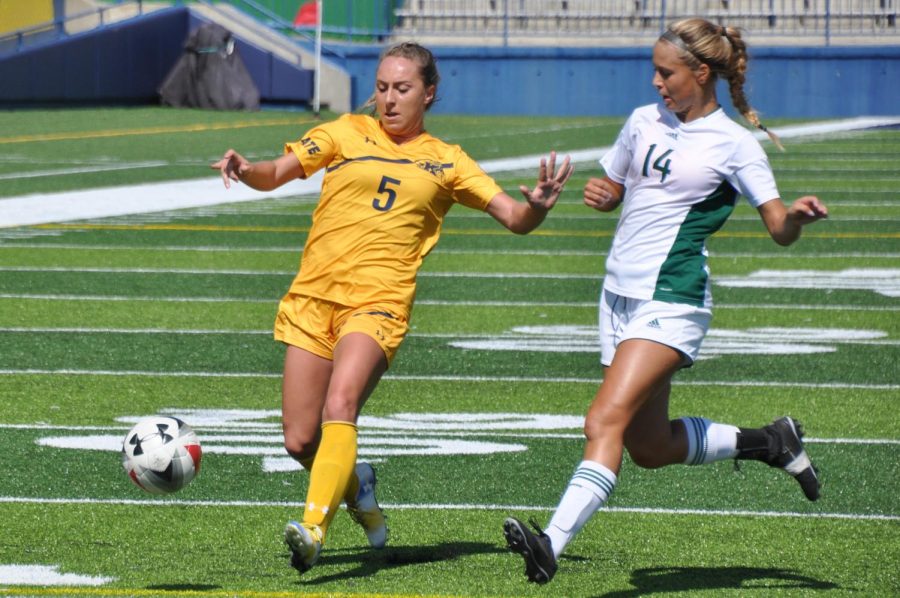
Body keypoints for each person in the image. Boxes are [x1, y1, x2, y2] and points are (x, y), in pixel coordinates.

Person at [211, 41, 574, 576]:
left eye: (402, 89)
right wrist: (246, 170)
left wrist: (537, 207)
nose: (388, 99)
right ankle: (359, 487)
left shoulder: (448, 161)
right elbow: (278, 171)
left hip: (378, 302)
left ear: (429, 93)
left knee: (343, 403)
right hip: (314, 297)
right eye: (381, 88)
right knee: (299, 439)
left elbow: (514, 216)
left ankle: (312, 529)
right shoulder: (343, 133)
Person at [503, 18, 829, 584]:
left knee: (602, 418)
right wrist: (605, 196)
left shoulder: (734, 144)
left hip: (673, 297)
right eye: (654, 70)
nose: (656, 82)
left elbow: (777, 227)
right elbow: (620, 190)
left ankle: (549, 543)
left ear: (701, 74)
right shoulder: (641, 122)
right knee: (649, 446)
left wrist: (795, 218)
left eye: (666, 72)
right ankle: (771, 441)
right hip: (617, 294)